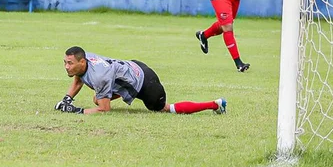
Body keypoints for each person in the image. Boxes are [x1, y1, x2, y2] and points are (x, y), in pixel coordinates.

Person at [55, 46, 226, 115]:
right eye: (65, 62)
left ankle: (215, 104)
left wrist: (75, 110)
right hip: (133, 66)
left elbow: (104, 110)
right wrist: (66, 99)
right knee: (96, 97)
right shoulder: (86, 58)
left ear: (82, 61)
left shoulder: (99, 75)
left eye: (70, 63)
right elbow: (79, 78)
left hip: (147, 84)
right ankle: (125, 90)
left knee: (165, 109)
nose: (66, 67)